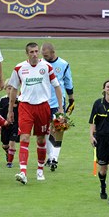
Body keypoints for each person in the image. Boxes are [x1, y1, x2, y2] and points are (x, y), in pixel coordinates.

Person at [8, 42, 64, 185]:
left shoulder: (46, 67)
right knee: (25, 137)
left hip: (43, 107)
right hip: (25, 106)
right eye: (31, 52)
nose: (34, 54)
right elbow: (14, 89)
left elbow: (57, 87)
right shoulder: (19, 68)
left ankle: (40, 170)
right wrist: (10, 109)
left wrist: (60, 108)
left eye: (36, 51)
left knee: (41, 140)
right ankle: (23, 172)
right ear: (27, 54)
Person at [41, 42, 75, 171]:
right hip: (42, 102)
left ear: (53, 52)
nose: (44, 57)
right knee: (46, 131)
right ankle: (50, 157)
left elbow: (68, 82)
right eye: (43, 55)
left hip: (58, 103)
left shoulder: (63, 64)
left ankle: (54, 158)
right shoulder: (40, 64)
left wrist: (71, 99)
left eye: (46, 55)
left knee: (59, 129)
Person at [0, 80, 19, 168]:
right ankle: (8, 152)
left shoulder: (19, 100)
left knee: (12, 142)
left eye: (13, 89)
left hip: (15, 125)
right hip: (5, 126)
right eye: (9, 88)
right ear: (5, 89)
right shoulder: (2, 100)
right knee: (5, 145)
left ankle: (10, 162)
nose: (10, 91)